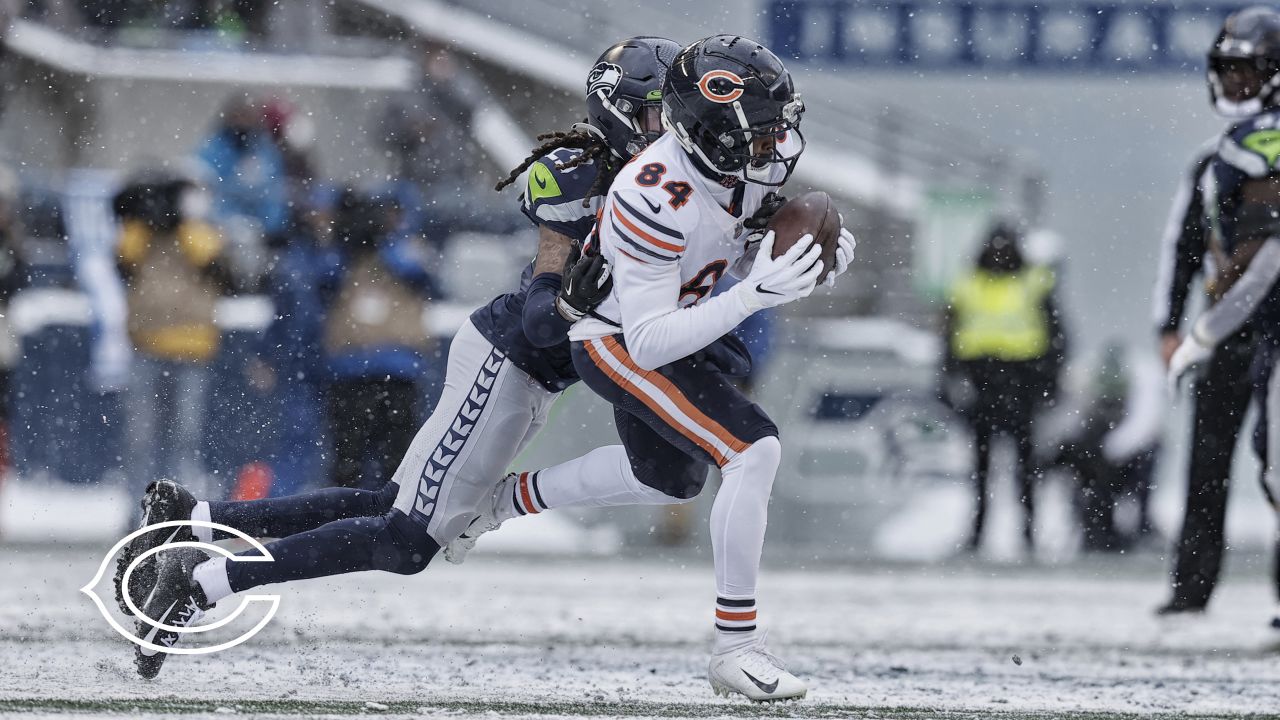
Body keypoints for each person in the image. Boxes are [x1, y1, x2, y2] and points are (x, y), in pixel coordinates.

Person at [115, 37, 676, 680]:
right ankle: (204, 579)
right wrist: (588, 303)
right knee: (406, 542)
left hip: (529, 374)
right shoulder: (586, 178)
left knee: (390, 506)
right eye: (665, 113)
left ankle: (197, 520)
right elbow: (542, 321)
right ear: (623, 111)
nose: (677, 132)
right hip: (512, 365)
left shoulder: (661, 185)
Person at [445, 36, 855, 701]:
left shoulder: (723, 170)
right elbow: (653, 341)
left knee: (667, 480)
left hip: (660, 328)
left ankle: (499, 501)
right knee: (753, 450)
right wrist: (756, 294)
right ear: (713, 130)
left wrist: (811, 261)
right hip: (617, 342)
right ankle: (736, 647)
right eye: (760, 131)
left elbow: (733, 249)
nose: (774, 144)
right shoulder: (652, 192)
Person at [1154, 7, 1271, 615]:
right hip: (1228, 326)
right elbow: (1184, 245)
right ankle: (1191, 588)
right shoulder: (1212, 160)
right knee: (1208, 457)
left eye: (1244, 71)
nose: (1232, 83)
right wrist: (1168, 325)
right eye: (1226, 70)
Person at [941, 222, 1066, 553]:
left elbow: (1056, 335)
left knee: (1024, 467)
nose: (1000, 253)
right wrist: (951, 377)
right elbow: (950, 332)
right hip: (982, 381)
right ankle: (978, 531)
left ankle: (1028, 533)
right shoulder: (968, 283)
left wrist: (1048, 383)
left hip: (1021, 381)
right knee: (981, 467)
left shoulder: (1034, 282)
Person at [114, 169, 231, 520]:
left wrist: (181, 222)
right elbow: (124, 254)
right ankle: (137, 512)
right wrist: (147, 218)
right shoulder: (140, 235)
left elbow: (210, 256)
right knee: (139, 438)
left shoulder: (198, 233)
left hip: (191, 349)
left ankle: (181, 511)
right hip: (147, 346)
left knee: (185, 436)